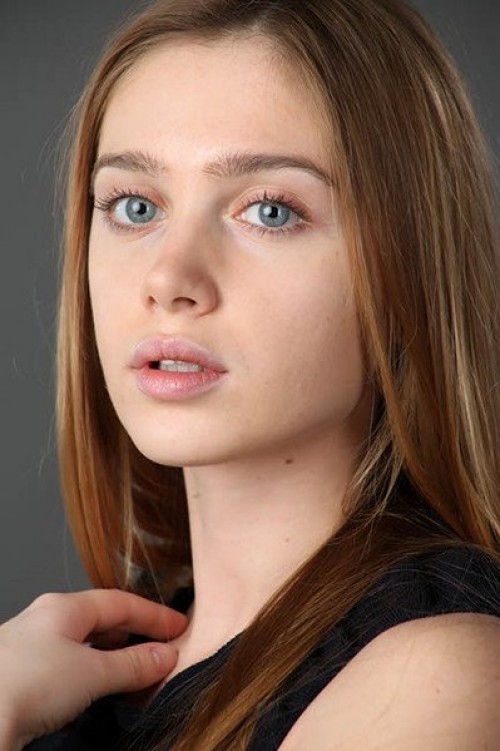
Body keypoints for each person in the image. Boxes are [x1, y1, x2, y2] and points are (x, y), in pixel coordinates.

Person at [0, 0, 499, 748]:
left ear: (409, 269)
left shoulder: (440, 675)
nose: (170, 278)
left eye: (269, 211)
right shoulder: (73, 672)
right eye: (135, 205)